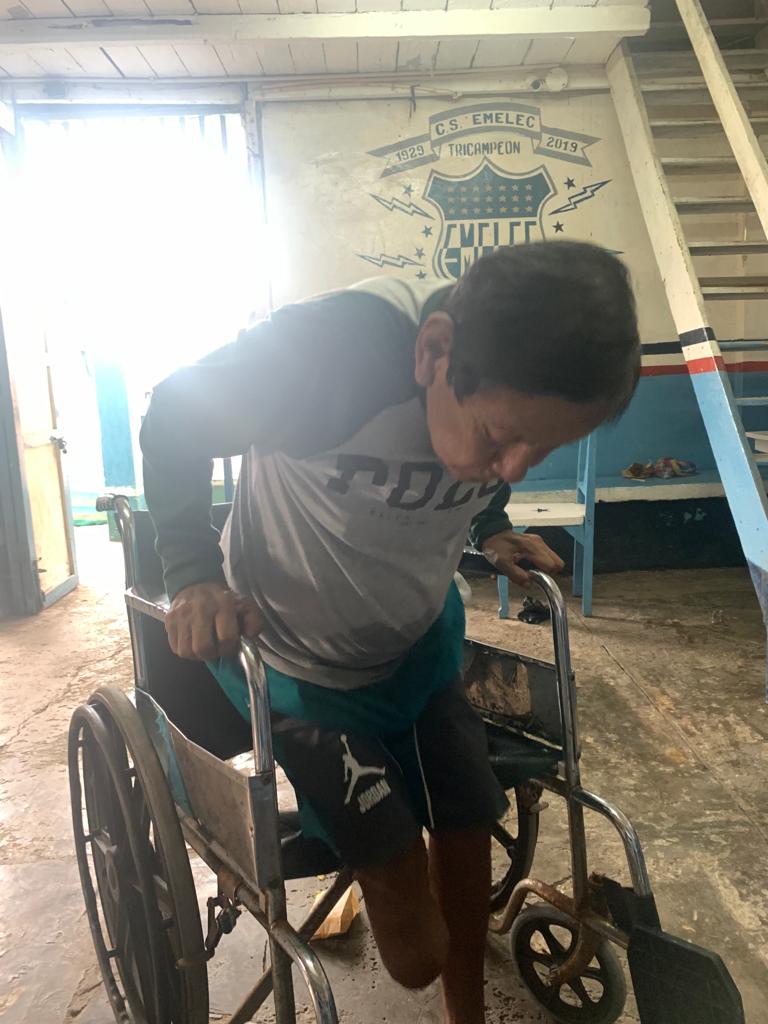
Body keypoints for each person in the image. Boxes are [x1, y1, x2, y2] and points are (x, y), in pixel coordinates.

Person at [140, 241, 640, 1024]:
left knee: (468, 828)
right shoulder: (330, 355)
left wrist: (494, 525)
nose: (514, 466)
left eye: (540, 449)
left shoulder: (491, 387)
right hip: (299, 663)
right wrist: (192, 571)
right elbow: (174, 411)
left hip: (417, 649)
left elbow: (489, 467)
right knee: (412, 953)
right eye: (499, 436)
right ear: (433, 352)